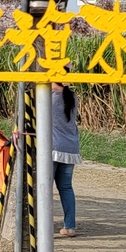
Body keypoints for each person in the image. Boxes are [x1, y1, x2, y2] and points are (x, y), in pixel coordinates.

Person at [51, 75, 81, 237]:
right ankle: (70, 226)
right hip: (71, 148)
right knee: (66, 187)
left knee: (45, 188)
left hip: (53, 147)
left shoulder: (50, 99)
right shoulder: (72, 97)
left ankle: (44, 225)